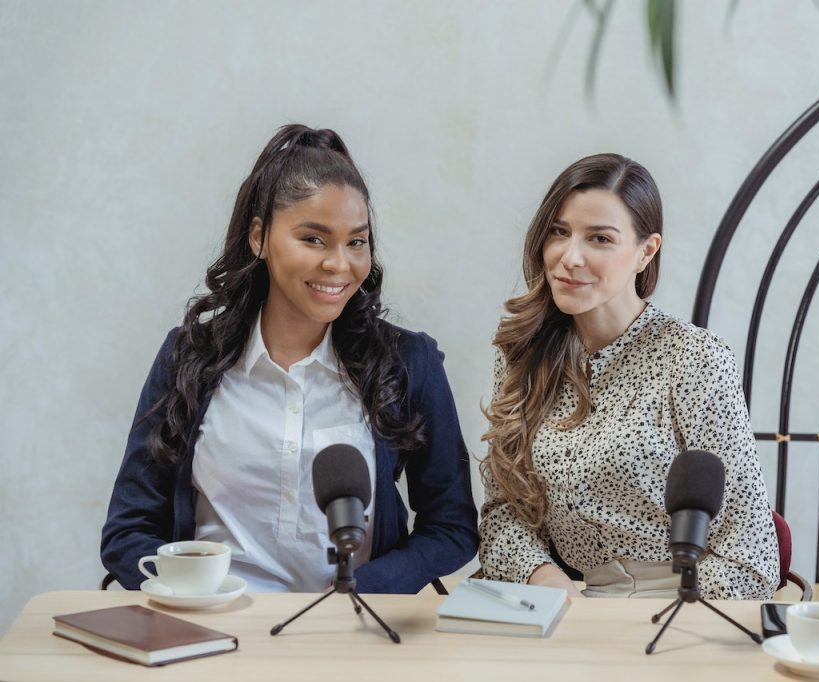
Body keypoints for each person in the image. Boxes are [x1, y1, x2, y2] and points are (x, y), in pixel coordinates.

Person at [101, 124, 478, 593]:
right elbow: (127, 531)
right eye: (314, 239)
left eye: (356, 242)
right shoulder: (189, 358)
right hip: (215, 637)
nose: (339, 264)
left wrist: (364, 591)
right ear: (259, 237)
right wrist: (190, 596)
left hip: (351, 638)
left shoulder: (407, 363)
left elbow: (452, 528)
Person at [478, 153, 779, 599]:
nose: (570, 257)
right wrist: (549, 584)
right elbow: (503, 513)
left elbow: (750, 556)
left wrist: (651, 619)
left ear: (646, 251)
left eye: (600, 238)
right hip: (565, 605)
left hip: (680, 607)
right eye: (559, 233)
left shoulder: (696, 361)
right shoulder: (521, 356)